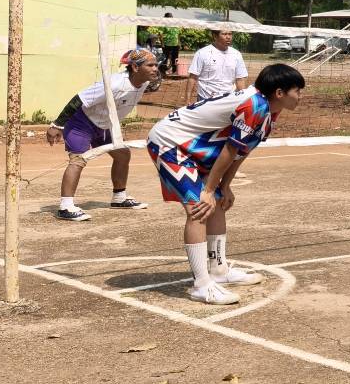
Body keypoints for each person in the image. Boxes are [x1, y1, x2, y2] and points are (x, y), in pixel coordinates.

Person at [146, 63, 306, 305]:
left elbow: (242, 149)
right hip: (169, 143)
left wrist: (224, 186)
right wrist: (209, 189)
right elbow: (230, 149)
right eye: (297, 91)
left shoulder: (269, 109)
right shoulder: (254, 105)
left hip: (194, 147)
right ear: (280, 93)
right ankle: (201, 285)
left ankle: (218, 271)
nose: (300, 96)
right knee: (199, 207)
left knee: (218, 202)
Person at [45, 47, 160, 220]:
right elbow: (79, 99)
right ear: (135, 67)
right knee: (78, 160)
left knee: (122, 154)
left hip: (106, 125)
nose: (155, 69)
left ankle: (119, 197)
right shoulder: (114, 84)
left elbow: (154, 84)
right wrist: (57, 125)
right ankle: (65, 207)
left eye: (156, 65)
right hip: (82, 122)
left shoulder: (143, 83)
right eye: (150, 65)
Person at [185, 28, 248, 103]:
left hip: (229, 99)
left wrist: (243, 100)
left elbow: (240, 79)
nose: (228, 37)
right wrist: (187, 100)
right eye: (224, 34)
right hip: (205, 98)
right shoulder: (202, 53)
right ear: (215, 36)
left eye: (230, 34)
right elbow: (192, 77)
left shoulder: (236, 54)